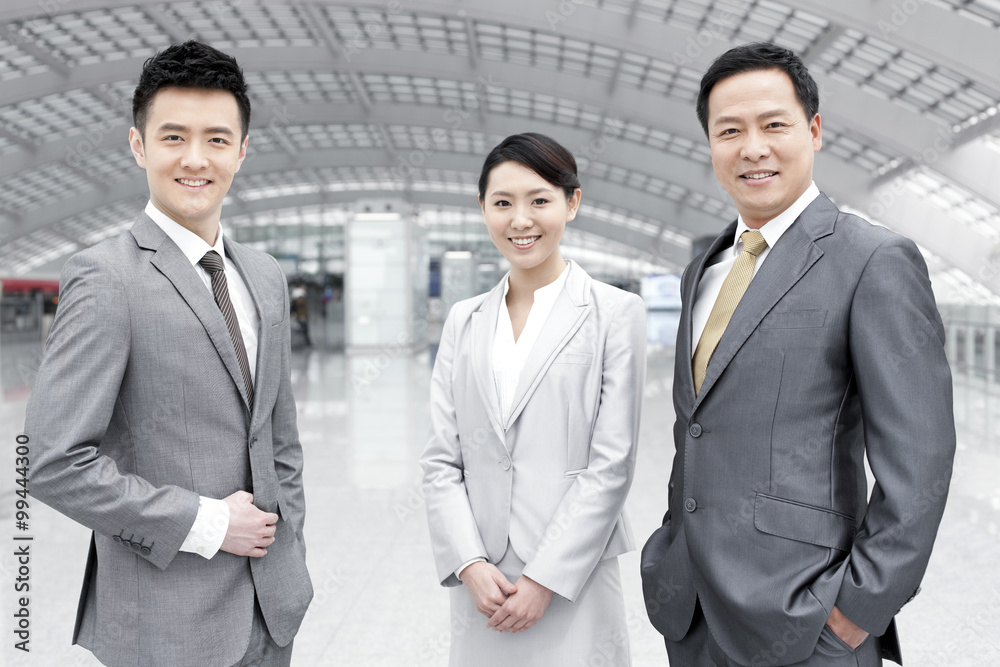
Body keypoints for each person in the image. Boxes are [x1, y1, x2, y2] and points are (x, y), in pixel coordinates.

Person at [640, 42, 956, 667]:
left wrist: (857, 609)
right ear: (710, 145)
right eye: (729, 130)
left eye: (773, 125)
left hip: (806, 620)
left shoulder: (871, 260)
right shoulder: (703, 270)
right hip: (693, 613)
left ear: (813, 130)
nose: (751, 148)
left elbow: (921, 458)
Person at [23, 41, 312, 667]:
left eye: (215, 139)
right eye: (173, 136)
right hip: (165, 625)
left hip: (272, 612)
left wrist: (290, 547)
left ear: (240, 150)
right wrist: (206, 523)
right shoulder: (106, 278)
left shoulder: (263, 275)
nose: (194, 159)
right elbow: (50, 464)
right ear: (138, 145)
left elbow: (278, 437)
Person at [420, 133, 646, 665]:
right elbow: (440, 459)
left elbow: (612, 464)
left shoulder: (614, 313)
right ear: (483, 210)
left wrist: (545, 578)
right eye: (502, 203)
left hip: (573, 572)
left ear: (572, 202)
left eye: (539, 200)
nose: (520, 220)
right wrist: (469, 563)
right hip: (485, 581)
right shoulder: (465, 319)